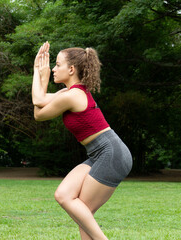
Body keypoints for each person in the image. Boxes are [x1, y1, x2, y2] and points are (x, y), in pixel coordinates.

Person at [32, 42, 132, 240]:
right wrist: (38, 72)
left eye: (57, 64)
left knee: (83, 211)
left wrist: (39, 74)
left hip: (110, 153)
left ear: (71, 69)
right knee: (66, 197)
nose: (53, 68)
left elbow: (38, 104)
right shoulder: (68, 93)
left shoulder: (73, 96)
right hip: (99, 153)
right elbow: (39, 108)